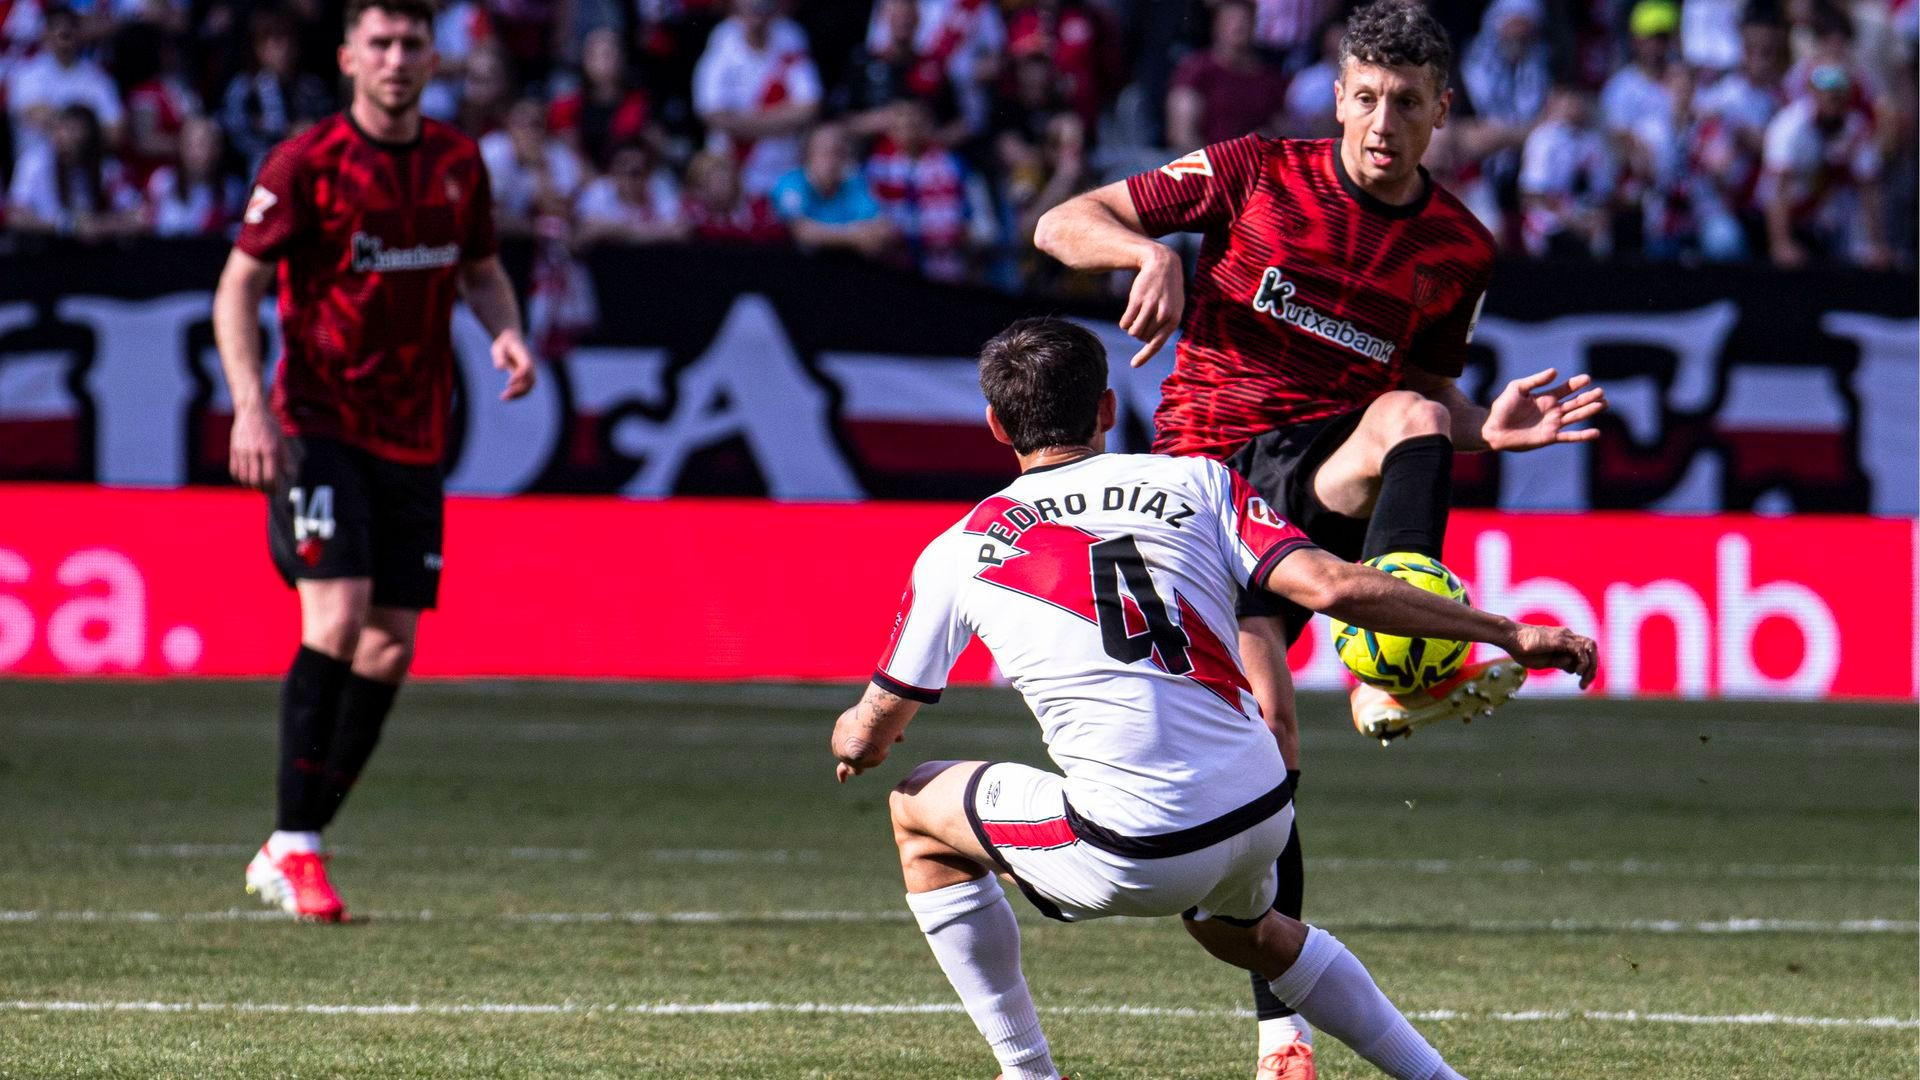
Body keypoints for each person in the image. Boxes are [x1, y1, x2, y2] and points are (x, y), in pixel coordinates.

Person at [1033, 1, 1607, 1073]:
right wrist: (1140, 256)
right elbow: (1062, 218)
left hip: (1316, 474)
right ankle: (1279, 1028)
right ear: (1340, 94)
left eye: (1406, 102)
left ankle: (1384, 664)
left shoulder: (1456, 248)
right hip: (1204, 485)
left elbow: (1429, 389)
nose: (1382, 121)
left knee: (1422, 420)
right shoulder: (1254, 171)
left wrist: (1494, 427)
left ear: (1443, 109)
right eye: (1366, 97)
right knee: (1271, 740)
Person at [831, 317, 1598, 1080]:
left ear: (997, 425)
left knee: (916, 806)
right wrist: (1506, 632)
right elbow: (1333, 586)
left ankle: (1028, 1073)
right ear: (1106, 408)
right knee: (1247, 935)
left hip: (1139, 845)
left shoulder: (961, 548)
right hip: (1264, 810)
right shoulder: (1196, 480)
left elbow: (872, 736)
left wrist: (851, 739)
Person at [211, 0, 536, 922]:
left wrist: (506, 333)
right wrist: (248, 408)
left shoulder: (454, 162)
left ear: (432, 57)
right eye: (380, 44)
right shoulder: (306, 163)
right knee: (340, 612)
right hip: (318, 421)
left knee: (392, 643)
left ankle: (290, 842)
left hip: (416, 431)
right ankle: (303, 847)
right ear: (351, 56)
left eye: (413, 44)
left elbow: (479, 267)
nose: (397, 59)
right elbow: (237, 287)